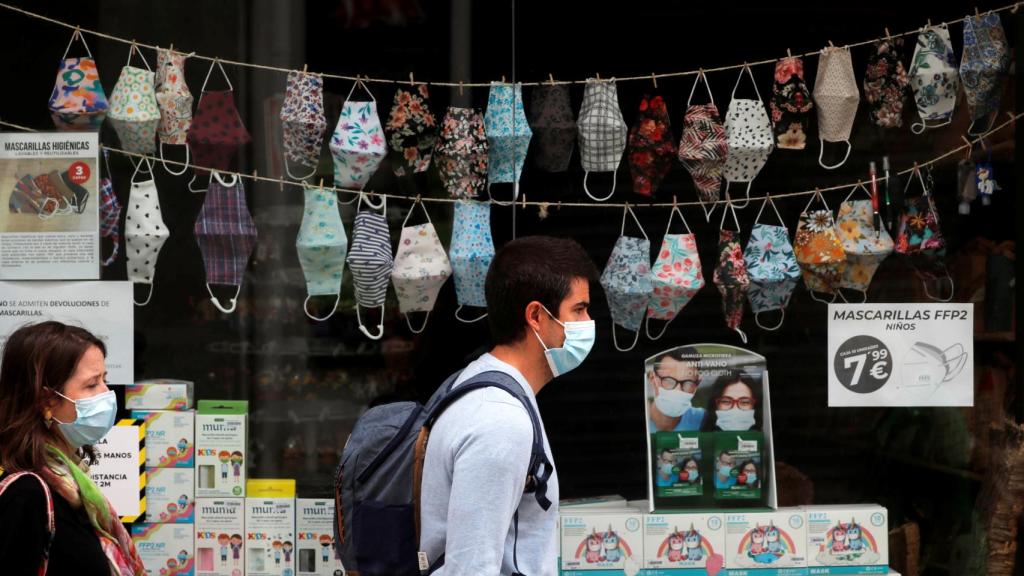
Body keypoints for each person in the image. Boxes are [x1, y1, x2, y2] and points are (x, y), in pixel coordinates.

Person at [420, 236, 598, 575]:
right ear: (536, 316)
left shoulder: (484, 387)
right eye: (579, 309)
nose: (588, 321)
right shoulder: (498, 420)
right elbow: (472, 568)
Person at [0, 321, 144, 575]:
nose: (107, 393)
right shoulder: (26, 495)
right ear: (46, 400)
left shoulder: (74, 485)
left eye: (104, 380)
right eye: (92, 385)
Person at [647, 347, 704, 432]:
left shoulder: (706, 421)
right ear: (652, 378)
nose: (678, 390)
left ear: (697, 383)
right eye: (668, 380)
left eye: (687, 382)